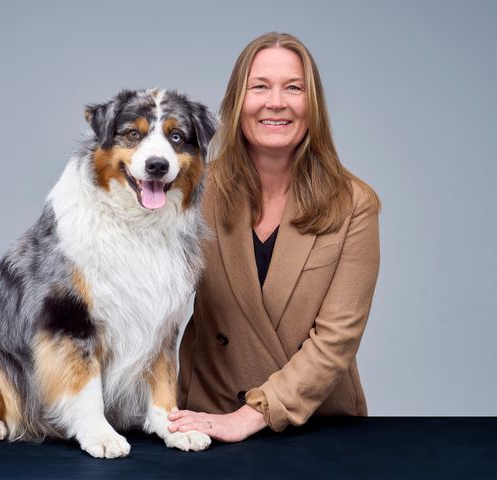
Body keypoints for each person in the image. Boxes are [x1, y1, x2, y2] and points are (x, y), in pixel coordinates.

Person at [168, 32, 381, 443]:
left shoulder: (354, 203)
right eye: (259, 86)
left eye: (294, 88)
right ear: (237, 102)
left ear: (312, 105)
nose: (276, 102)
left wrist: (248, 417)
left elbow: (336, 338)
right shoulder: (194, 191)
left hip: (318, 425)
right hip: (206, 417)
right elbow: (149, 300)